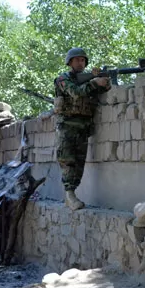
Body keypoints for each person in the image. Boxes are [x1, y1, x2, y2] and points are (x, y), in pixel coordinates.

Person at [54, 47, 111, 210]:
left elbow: (105, 88)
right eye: (78, 59)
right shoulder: (63, 79)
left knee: (79, 163)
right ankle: (69, 195)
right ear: (70, 62)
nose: (81, 62)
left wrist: (104, 80)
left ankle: (72, 194)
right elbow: (76, 92)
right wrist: (94, 82)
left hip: (84, 127)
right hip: (67, 126)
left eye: (83, 60)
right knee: (68, 161)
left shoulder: (88, 79)